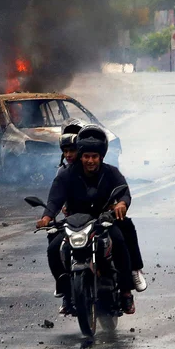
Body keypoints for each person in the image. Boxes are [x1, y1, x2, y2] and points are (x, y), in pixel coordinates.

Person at [37, 125, 138, 315]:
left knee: (120, 242)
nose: (90, 161)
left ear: (101, 157)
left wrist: (121, 204)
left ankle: (125, 292)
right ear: (81, 156)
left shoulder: (111, 172)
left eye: (94, 157)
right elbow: (55, 199)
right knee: (53, 248)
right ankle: (66, 293)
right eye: (86, 156)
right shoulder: (66, 174)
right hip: (74, 224)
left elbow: (124, 192)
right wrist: (46, 217)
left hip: (103, 222)